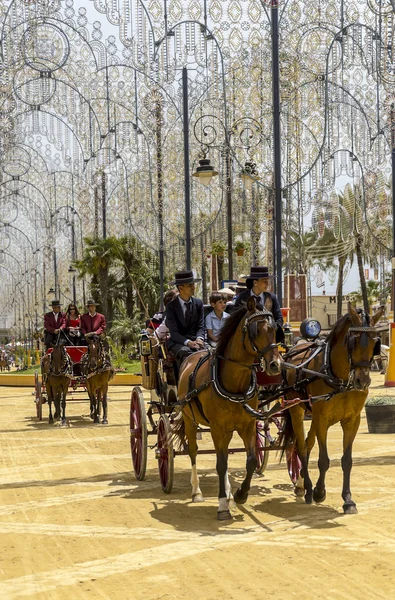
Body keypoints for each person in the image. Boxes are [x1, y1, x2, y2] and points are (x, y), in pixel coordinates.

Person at [166, 270, 206, 372]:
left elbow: (201, 326)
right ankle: (182, 381)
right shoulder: (171, 307)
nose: (193, 287)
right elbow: (173, 332)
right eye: (189, 285)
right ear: (180, 288)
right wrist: (188, 342)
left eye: (193, 284)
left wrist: (200, 339)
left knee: (210, 351)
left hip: (196, 340)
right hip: (178, 342)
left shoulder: (198, 303)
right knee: (185, 352)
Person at [234, 265, 284, 342]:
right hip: (246, 340)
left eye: (268, 281)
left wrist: (272, 329)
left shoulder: (272, 298)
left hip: (268, 340)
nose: (267, 284)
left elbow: (279, 319)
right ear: (255, 282)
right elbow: (235, 319)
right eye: (265, 281)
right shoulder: (242, 297)